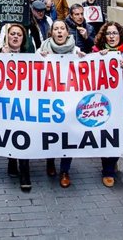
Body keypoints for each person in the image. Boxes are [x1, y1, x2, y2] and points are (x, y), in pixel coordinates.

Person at [38, 20, 85, 188]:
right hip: (50, 102)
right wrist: (38, 59)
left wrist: (87, 60)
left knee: (68, 136)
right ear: (51, 33)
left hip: (69, 103)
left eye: (62, 29)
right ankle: (50, 161)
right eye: (56, 29)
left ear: (67, 32)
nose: (59, 32)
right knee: (51, 135)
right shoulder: (42, 49)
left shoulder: (76, 51)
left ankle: (65, 171)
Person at [93, 22, 123, 187]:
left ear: (120, 35)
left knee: (122, 134)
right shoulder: (97, 52)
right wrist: (99, 60)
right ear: (104, 36)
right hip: (103, 104)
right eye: (108, 33)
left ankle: (113, 160)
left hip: (122, 102)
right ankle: (108, 170)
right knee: (105, 134)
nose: (111, 36)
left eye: (115, 33)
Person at [0, 23, 34, 192]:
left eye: (19, 35)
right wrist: (2, 58)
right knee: (9, 134)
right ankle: (11, 161)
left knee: (23, 135)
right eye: (12, 33)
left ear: (23, 38)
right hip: (5, 104)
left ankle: (25, 173)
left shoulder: (31, 57)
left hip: (24, 104)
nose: (15, 37)